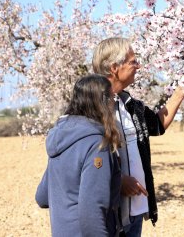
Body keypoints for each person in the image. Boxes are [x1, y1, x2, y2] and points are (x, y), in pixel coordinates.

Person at [92, 37, 184, 236]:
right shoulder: (91, 106)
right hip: (110, 214)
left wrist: (179, 93)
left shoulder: (130, 105)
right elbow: (87, 157)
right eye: (133, 62)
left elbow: (157, 125)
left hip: (135, 211)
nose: (138, 66)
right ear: (115, 67)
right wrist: (119, 181)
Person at [35, 74, 122, 237]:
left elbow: (42, 197)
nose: (113, 104)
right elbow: (92, 212)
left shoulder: (61, 139)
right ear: (103, 102)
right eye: (112, 98)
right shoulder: (97, 145)